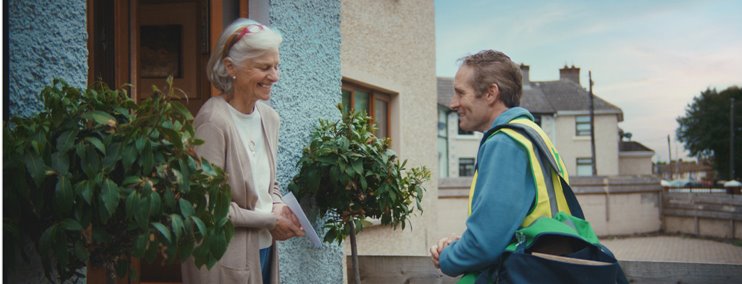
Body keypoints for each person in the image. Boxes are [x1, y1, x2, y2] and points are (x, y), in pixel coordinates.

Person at [181, 18, 304, 284]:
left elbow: (269, 184)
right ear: (231, 68)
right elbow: (209, 207)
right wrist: (270, 221)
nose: (275, 76)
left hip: (263, 249)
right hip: (224, 257)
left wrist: (279, 205)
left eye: (276, 66)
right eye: (264, 67)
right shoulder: (213, 121)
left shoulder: (269, 118)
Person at [429, 49, 538, 278]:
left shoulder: (505, 143)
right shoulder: (531, 135)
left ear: (490, 93)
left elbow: (483, 245)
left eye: (460, 93)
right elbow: (506, 230)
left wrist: (447, 257)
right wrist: (464, 244)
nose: (452, 103)